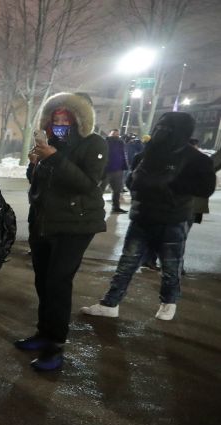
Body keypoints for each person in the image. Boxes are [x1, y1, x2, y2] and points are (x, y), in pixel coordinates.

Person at [80, 112, 216, 322]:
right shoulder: (148, 152)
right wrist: (140, 184)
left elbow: (205, 188)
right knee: (126, 264)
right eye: (160, 126)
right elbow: (131, 181)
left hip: (173, 220)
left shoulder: (195, 158)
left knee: (171, 265)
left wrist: (170, 184)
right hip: (142, 217)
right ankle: (110, 303)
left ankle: (169, 302)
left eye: (168, 128)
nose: (162, 131)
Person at [15, 92, 107, 371]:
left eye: (67, 116)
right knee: (43, 280)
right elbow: (38, 181)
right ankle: (43, 332)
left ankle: (55, 344)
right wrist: (35, 164)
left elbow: (88, 184)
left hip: (75, 225)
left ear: (81, 118)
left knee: (57, 281)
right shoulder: (50, 142)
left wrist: (54, 158)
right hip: (44, 221)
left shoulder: (94, 144)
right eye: (56, 116)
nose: (61, 121)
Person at [101, 130, 129, 213]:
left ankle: (116, 207)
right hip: (106, 170)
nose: (115, 135)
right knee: (100, 190)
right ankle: (94, 207)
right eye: (114, 134)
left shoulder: (121, 143)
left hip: (118, 170)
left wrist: (124, 166)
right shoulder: (104, 142)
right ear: (109, 134)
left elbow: (123, 154)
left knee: (117, 190)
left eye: (117, 134)